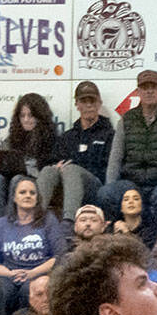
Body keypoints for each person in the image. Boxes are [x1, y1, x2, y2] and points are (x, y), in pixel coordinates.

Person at [100, 70, 157, 232]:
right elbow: (115, 159)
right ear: (138, 92)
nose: (149, 91)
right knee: (105, 193)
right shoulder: (126, 119)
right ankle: (114, 236)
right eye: (144, 87)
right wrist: (111, 185)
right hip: (132, 182)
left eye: (154, 86)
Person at [0, 176, 64, 315]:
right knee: (1, 291)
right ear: (14, 198)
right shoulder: (1, 224)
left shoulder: (49, 221)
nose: (28, 196)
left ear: (37, 198)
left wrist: (32, 273)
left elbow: (59, 256)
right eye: (22, 192)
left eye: (32, 193)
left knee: (28, 291)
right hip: (9, 275)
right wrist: (9, 274)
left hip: (39, 274)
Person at [41, 81, 112, 217]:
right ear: (77, 105)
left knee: (71, 169)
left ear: (99, 103)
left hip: (95, 186)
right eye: (84, 101)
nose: (89, 105)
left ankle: (69, 220)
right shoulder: (68, 136)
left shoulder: (109, 135)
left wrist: (74, 166)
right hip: (65, 187)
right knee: (48, 170)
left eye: (92, 100)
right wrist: (57, 166)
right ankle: (32, 220)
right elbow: (54, 159)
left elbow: (108, 170)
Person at [0, 93, 57, 228]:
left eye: (30, 115)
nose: (26, 120)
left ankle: (10, 226)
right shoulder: (13, 136)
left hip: (35, 182)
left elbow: (48, 169)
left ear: (39, 116)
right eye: (22, 116)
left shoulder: (51, 138)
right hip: (11, 178)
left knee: (18, 180)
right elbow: (1, 160)